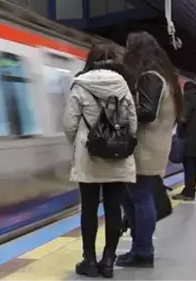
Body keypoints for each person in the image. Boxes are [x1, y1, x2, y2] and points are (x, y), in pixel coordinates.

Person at [63, 43, 137, 278]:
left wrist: (81, 142)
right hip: (117, 156)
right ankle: (108, 261)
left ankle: (89, 261)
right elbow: (133, 124)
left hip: (89, 156)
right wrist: (120, 141)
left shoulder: (80, 84)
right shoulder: (123, 85)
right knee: (113, 208)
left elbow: (69, 124)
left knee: (89, 209)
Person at [118, 31, 183, 268]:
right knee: (134, 198)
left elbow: (146, 112)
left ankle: (143, 251)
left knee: (140, 198)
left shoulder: (150, 77)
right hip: (154, 147)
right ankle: (139, 248)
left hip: (144, 148)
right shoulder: (165, 76)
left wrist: (121, 111)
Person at [174, 80, 196, 201]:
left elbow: (183, 119)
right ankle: (189, 190)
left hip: (187, 139)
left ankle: (188, 192)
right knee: (192, 166)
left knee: (189, 166)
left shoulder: (188, 100)